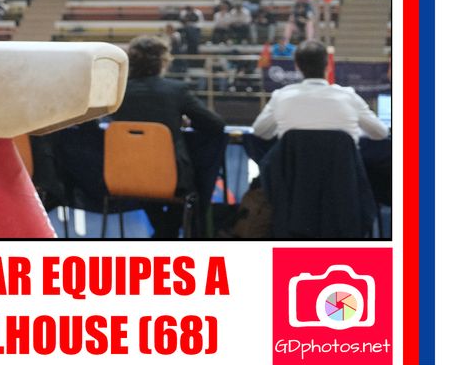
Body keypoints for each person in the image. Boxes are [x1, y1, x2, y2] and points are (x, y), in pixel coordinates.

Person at [108, 36, 226, 238]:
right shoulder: (175, 90)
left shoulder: (117, 91)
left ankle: (163, 234)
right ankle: (166, 234)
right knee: (192, 187)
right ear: (163, 62)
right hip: (170, 177)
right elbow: (216, 125)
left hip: (123, 174)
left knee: (146, 186)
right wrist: (188, 121)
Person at [252, 41, 389, 141]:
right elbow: (381, 133)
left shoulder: (280, 97)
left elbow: (259, 131)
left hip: (296, 173)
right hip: (341, 172)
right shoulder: (349, 97)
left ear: (297, 66)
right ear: (328, 65)